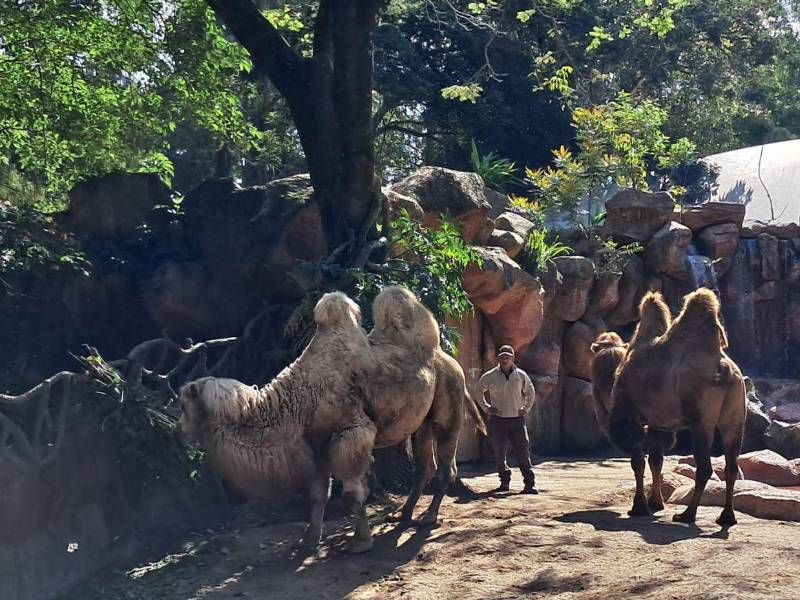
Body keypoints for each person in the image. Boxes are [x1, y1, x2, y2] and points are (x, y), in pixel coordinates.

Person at [477, 345, 538, 494]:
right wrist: (486, 407)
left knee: (523, 453)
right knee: (499, 453)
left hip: (517, 419)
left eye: (508, 357)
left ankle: (529, 484)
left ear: (512, 359)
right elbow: (478, 390)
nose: (505, 359)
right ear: (498, 358)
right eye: (502, 357)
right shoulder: (490, 375)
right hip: (498, 420)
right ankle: (504, 482)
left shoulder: (521, 375)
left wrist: (526, 408)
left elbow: (530, 392)